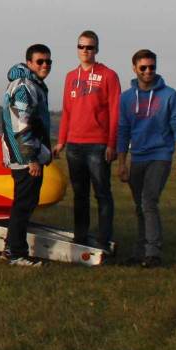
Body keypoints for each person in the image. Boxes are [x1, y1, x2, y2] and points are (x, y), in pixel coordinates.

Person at [117, 49, 176, 267]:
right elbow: (123, 130)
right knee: (139, 205)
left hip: (160, 155)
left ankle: (153, 253)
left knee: (149, 200)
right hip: (137, 157)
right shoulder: (126, 98)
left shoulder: (169, 95)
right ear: (134, 68)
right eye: (143, 67)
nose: (148, 71)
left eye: (152, 67)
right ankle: (140, 252)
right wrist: (122, 163)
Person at [53, 30, 123, 250]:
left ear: (96, 50)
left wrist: (112, 144)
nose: (85, 51)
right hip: (74, 144)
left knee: (102, 193)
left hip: (98, 144)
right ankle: (80, 237)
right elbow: (67, 110)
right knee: (79, 194)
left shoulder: (108, 75)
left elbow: (115, 112)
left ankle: (103, 239)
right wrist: (61, 140)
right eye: (81, 46)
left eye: (90, 47)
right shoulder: (70, 76)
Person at [0, 44, 54, 267]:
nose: (45, 65)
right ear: (29, 63)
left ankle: (10, 248)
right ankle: (16, 253)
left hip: (23, 155)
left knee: (23, 203)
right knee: (23, 205)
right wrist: (31, 158)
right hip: (24, 157)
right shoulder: (25, 87)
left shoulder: (32, 84)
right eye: (40, 61)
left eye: (48, 61)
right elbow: (21, 124)